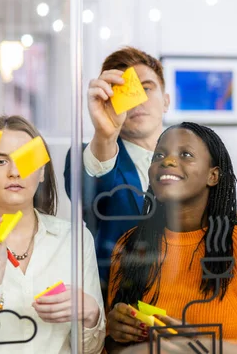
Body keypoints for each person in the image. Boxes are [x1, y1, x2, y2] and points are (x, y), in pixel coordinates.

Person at [106, 122, 237, 353]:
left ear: (213, 176)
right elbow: (112, 347)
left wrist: (206, 346)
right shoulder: (130, 244)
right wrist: (115, 333)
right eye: (159, 155)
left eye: (185, 154)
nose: (167, 161)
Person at [0, 115, 106, 353]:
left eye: (25, 160)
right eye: (0, 162)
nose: (14, 172)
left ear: (41, 172)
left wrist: (91, 315)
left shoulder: (75, 238)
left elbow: (91, 349)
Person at [63, 46, 170, 297]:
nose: (138, 100)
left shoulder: (193, 158)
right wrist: (105, 135)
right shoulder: (87, 154)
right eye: (126, 93)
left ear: (166, 101)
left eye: (146, 88)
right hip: (117, 304)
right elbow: (91, 185)